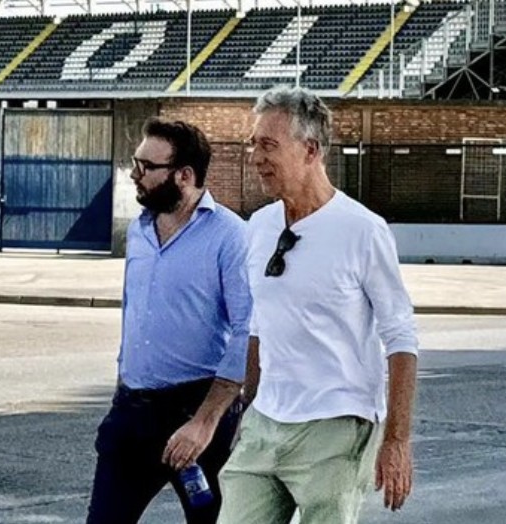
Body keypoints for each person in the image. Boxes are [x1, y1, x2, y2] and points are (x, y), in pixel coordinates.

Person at [217, 86, 419, 524]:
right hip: (266, 423)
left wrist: (397, 440)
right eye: (254, 145)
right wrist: (248, 411)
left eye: (268, 145)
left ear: (310, 150)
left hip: (336, 427)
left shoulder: (362, 230)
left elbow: (401, 336)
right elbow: (259, 326)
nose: (255, 158)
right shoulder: (259, 227)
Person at [86, 117, 251, 524]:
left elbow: (246, 331)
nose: (134, 174)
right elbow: (135, 314)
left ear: (184, 176)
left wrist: (206, 422)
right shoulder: (139, 231)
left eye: (146, 166)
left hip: (196, 411)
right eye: (135, 163)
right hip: (132, 411)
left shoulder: (230, 236)